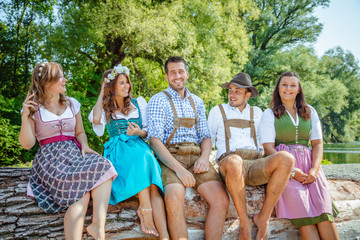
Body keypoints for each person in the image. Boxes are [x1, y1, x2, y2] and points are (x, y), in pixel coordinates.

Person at [18, 62, 117, 240]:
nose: (65, 80)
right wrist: (25, 116)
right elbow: (27, 144)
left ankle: (98, 226)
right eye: (60, 77)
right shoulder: (34, 108)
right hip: (50, 159)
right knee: (81, 196)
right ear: (47, 82)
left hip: (74, 154)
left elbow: (79, 132)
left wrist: (85, 145)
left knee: (103, 164)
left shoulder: (72, 104)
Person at [147, 56, 229, 240]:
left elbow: (205, 137)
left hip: (196, 156)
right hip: (171, 157)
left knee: (221, 200)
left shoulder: (197, 101)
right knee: (174, 199)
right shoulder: (158, 100)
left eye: (181, 71)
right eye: (173, 72)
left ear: (187, 74)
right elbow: (154, 141)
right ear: (167, 76)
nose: (178, 76)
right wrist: (180, 170)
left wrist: (204, 158)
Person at [208, 72, 295, 240]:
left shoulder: (257, 112)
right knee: (234, 161)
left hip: (254, 164)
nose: (231, 94)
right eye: (230, 90)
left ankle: (264, 217)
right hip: (229, 164)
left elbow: (265, 143)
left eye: (237, 91)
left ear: (248, 95)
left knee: (287, 158)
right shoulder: (217, 111)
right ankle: (244, 223)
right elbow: (208, 140)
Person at [88, 64, 169, 239]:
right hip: (119, 151)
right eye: (122, 83)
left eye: (127, 83)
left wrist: (138, 132)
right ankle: (145, 210)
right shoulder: (104, 107)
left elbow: (147, 132)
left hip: (139, 146)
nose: (127, 86)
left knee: (147, 165)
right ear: (111, 87)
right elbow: (95, 119)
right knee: (142, 157)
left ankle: (162, 231)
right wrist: (102, 91)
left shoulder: (139, 103)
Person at [259, 72, 339, 240]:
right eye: (284, 84)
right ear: (278, 88)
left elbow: (317, 143)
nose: (288, 88)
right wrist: (292, 171)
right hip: (284, 167)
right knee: (305, 217)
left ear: (298, 89)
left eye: (293, 85)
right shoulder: (269, 113)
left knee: (325, 213)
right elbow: (267, 148)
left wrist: (315, 170)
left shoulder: (309, 111)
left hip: (310, 165)